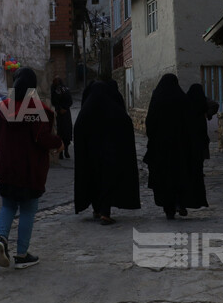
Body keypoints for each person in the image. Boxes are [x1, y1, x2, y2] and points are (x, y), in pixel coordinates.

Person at [0, 67, 64, 269]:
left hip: (6, 169)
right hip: (29, 171)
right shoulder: (37, 108)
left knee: (7, 205)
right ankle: (22, 255)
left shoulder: (4, 106)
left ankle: (1, 238)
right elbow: (41, 137)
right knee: (28, 209)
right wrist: (58, 143)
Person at [73, 79, 141, 225]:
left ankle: (97, 209)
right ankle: (104, 212)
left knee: (93, 179)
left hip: (90, 157)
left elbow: (78, 130)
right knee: (108, 180)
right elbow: (126, 125)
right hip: (110, 155)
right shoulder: (113, 109)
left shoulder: (86, 110)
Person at [143, 73, 207, 220]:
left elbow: (150, 123)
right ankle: (181, 202)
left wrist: (154, 140)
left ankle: (168, 209)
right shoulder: (182, 99)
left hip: (161, 148)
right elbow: (191, 125)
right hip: (181, 148)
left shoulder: (157, 100)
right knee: (180, 175)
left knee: (164, 178)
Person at [186, 83, 220, 207]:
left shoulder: (186, 100)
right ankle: (199, 169)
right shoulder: (203, 100)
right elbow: (215, 105)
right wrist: (207, 114)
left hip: (189, 133)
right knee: (200, 152)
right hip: (200, 131)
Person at [51, 77, 74, 159]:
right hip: (61, 114)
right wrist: (60, 109)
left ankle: (65, 150)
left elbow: (69, 101)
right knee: (61, 132)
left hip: (64, 113)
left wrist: (63, 108)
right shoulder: (55, 90)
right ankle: (61, 152)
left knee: (65, 132)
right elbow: (53, 101)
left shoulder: (64, 89)